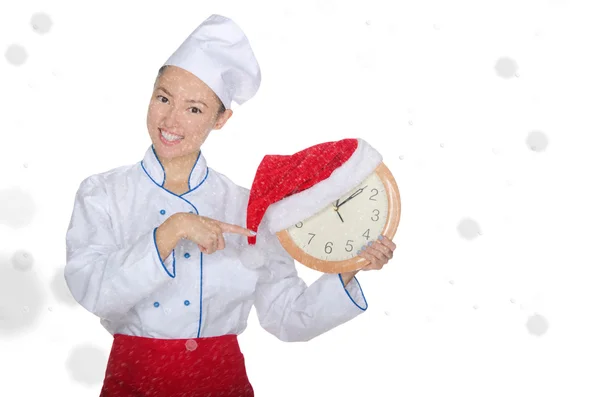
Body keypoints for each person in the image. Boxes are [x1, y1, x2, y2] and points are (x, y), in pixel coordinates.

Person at [64, 14, 397, 396]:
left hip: (222, 382)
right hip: (136, 379)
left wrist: (349, 269)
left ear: (221, 119)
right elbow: (93, 292)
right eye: (163, 98)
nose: (171, 119)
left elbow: (285, 316)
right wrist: (172, 230)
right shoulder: (103, 193)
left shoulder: (245, 207)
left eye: (194, 108)